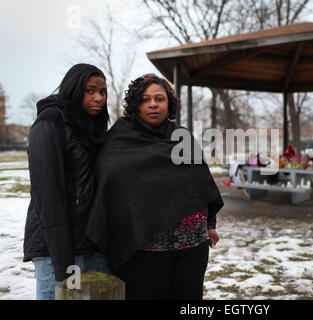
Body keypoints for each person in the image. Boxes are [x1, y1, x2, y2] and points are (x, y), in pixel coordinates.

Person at [86, 73, 223, 300]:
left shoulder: (182, 137)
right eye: (145, 99)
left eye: (159, 99)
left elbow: (201, 185)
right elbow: (110, 187)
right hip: (144, 251)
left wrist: (210, 224)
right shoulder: (119, 140)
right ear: (135, 104)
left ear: (168, 103)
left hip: (193, 249)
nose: (152, 104)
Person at [23, 63, 112, 300]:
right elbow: (47, 193)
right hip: (56, 247)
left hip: (89, 243)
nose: (98, 98)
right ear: (73, 89)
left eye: (102, 92)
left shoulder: (94, 128)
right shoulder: (50, 122)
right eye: (90, 90)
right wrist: (62, 261)